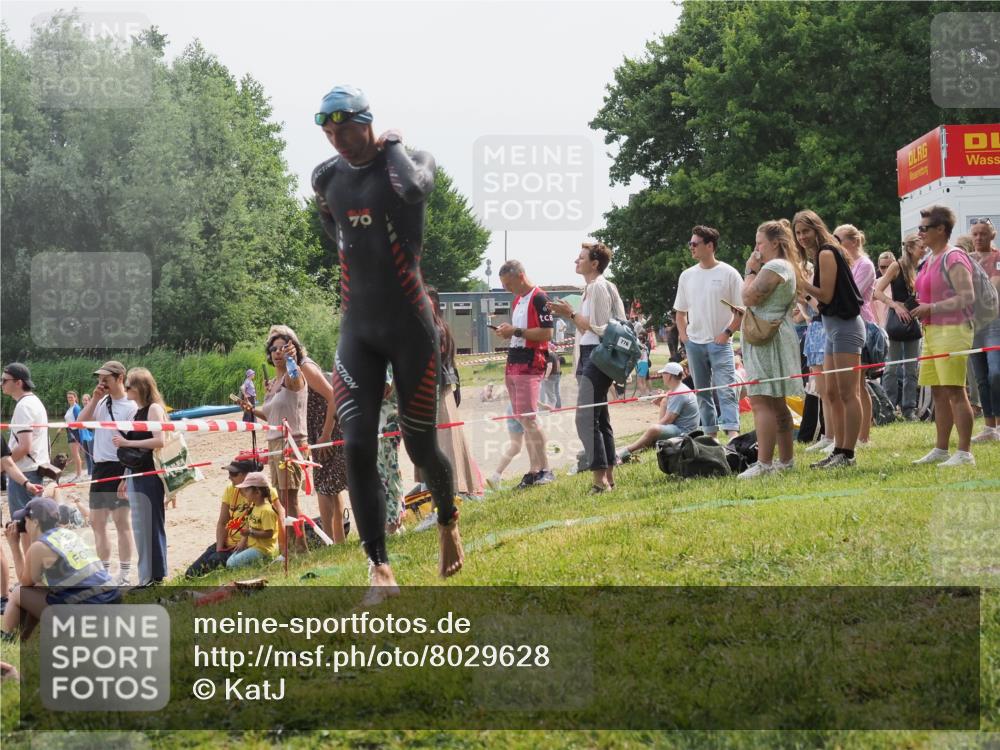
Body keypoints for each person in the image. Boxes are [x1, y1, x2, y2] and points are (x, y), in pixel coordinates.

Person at [311, 83, 462, 594]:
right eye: (331, 134)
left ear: (369, 122)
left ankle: (447, 518)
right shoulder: (326, 177)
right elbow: (331, 224)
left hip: (410, 330)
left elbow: (416, 189)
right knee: (355, 445)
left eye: (348, 130)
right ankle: (379, 567)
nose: (340, 142)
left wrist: (392, 144)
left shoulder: (408, 160)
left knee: (421, 448)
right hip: (358, 330)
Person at [549, 242, 624, 494]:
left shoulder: (599, 287)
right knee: (600, 417)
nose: (575, 261)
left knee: (585, 418)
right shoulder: (589, 289)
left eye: (580, 258)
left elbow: (602, 328)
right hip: (588, 355)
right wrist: (567, 314)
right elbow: (586, 327)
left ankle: (599, 480)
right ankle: (608, 478)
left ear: (594, 264)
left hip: (598, 356)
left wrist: (570, 314)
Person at [795, 210, 865, 470]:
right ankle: (838, 449)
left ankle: (848, 453)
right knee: (832, 391)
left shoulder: (826, 252)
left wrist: (801, 283)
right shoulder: (821, 253)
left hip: (846, 326)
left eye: (806, 231)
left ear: (816, 229)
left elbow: (825, 294)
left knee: (849, 392)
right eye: (798, 232)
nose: (802, 237)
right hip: (831, 326)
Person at [737, 220, 806, 478]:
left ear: (775, 243)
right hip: (774, 336)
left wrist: (750, 271)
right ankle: (785, 461)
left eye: (760, 243)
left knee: (761, 401)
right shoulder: (785, 266)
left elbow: (749, 297)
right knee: (776, 404)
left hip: (768, 341)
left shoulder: (776, 266)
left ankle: (764, 464)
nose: (756, 250)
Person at [910, 206, 977, 466]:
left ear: (941, 229)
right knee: (938, 391)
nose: (920, 233)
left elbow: (967, 297)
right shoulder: (930, 259)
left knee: (955, 390)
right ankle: (941, 449)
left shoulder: (954, 257)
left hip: (953, 330)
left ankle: (964, 452)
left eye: (924, 228)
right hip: (932, 330)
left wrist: (932, 307)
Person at [2, 498, 119, 641]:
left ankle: (8, 640)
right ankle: (23, 639)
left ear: (35, 522)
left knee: (17, 593)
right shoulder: (68, 534)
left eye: (25, 521)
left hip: (88, 614)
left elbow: (24, 582)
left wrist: (14, 545)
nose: (24, 527)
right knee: (39, 587)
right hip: (111, 602)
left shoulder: (39, 547)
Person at [672, 226, 743, 440]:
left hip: (720, 343)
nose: (691, 247)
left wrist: (727, 333)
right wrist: (685, 339)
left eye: (695, 244)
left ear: (710, 246)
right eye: (690, 244)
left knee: (726, 389)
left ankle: (732, 433)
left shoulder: (729, 273)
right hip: (695, 343)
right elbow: (680, 312)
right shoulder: (687, 276)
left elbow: (741, 311)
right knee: (702, 392)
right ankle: (710, 435)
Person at [242, 327, 309, 551]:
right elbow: (272, 415)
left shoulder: (293, 375)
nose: (277, 352)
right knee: (281, 498)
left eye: (283, 348)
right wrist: (252, 410)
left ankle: (300, 546)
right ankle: (290, 546)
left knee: (291, 499)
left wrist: (292, 360)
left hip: (292, 441)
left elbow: (295, 380)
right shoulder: (274, 382)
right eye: (273, 349)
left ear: (293, 350)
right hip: (274, 441)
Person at [495, 259, 556, 490]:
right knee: (522, 418)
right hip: (514, 361)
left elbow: (547, 333)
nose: (508, 289)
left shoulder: (540, 297)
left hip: (531, 362)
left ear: (520, 276)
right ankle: (533, 469)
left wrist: (516, 331)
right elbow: (520, 332)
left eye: (509, 284)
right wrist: (508, 332)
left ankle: (546, 469)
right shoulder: (518, 299)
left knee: (529, 417)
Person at [76, 361, 137, 585]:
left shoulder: (131, 406)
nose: (101, 383)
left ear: (120, 378)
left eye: (106, 380)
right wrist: (94, 398)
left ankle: (124, 573)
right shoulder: (102, 401)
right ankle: (103, 572)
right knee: (97, 522)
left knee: (122, 522)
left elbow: (136, 443)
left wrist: (126, 474)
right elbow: (80, 423)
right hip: (100, 467)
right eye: (99, 379)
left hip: (120, 465)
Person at [423, 288, 483, 497]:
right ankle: (457, 488)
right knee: (443, 443)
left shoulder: (435, 329)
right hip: (435, 391)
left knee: (446, 444)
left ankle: (453, 491)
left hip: (438, 390)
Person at [110, 367, 167, 587]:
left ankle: (155, 576)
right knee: (140, 527)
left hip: (150, 474)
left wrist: (127, 443)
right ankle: (146, 576)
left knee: (150, 525)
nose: (125, 390)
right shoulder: (138, 411)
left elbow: (159, 440)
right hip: (136, 473)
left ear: (140, 387)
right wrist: (125, 476)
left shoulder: (153, 409)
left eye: (128, 386)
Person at [185, 459, 282, 577]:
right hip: (228, 543)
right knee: (190, 573)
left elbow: (279, 518)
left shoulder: (264, 491)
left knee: (221, 565)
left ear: (248, 475)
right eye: (229, 474)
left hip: (247, 546)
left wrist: (283, 550)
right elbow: (222, 522)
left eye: (234, 474)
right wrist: (219, 548)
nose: (229, 478)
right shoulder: (230, 489)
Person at [875, 234, 925, 420]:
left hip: (914, 319)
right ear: (910, 248)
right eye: (921, 246)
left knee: (911, 369)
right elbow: (878, 291)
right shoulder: (897, 266)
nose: (925, 249)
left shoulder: (922, 267)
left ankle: (909, 409)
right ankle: (888, 408)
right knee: (891, 368)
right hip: (897, 320)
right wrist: (895, 305)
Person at [834, 224, 876, 447]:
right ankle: (853, 433)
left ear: (854, 241)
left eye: (839, 239)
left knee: (860, 384)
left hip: (863, 323)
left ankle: (864, 435)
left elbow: (854, 293)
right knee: (852, 385)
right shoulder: (845, 264)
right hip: (846, 324)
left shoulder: (866, 265)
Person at [616, 362, 699, 461]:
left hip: (684, 432)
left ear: (669, 376)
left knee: (653, 429)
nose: (662, 376)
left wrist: (654, 428)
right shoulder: (677, 389)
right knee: (655, 429)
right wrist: (663, 402)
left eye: (664, 374)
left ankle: (626, 451)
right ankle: (641, 446)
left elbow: (668, 420)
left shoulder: (679, 393)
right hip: (681, 428)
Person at [2, 363, 49, 516]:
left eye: (4, 380)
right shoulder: (34, 402)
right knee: (31, 523)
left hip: (25, 472)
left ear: (18, 382)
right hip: (34, 469)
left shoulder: (24, 406)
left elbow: (24, 447)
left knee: (22, 524)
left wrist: (4, 466)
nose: (1, 384)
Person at [968, 218, 1000, 443]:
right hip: (972, 324)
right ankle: (989, 427)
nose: (979, 238)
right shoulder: (967, 260)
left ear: (992, 235)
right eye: (975, 234)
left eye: (983, 234)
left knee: (996, 373)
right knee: (980, 377)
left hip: (994, 323)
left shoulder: (998, 258)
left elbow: (994, 287)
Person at [226, 472, 281, 569]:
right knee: (230, 561)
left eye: (246, 490)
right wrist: (243, 541)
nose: (244, 493)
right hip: (253, 547)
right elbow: (248, 524)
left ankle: (262, 563)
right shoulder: (254, 506)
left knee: (231, 564)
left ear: (257, 492)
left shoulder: (266, 511)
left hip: (263, 549)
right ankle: (257, 564)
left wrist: (251, 532)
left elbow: (269, 534)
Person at [486, 405, 526, 489]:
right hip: (521, 408)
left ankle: (495, 476)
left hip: (513, 408)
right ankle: (537, 473)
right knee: (529, 443)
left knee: (515, 448)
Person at [63, 391, 85, 480]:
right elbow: (68, 420)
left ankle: (79, 475)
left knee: (76, 455)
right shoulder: (70, 408)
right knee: (74, 454)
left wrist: (71, 427)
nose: (70, 399)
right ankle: (78, 473)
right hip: (69, 432)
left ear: (75, 398)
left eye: (71, 397)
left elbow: (79, 422)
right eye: (68, 398)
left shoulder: (76, 408)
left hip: (75, 433)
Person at [78, 393, 95, 477]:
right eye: (83, 400)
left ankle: (93, 474)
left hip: (91, 437)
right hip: (84, 437)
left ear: (90, 400)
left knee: (92, 457)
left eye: (86, 400)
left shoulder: (92, 411)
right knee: (86, 457)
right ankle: (89, 473)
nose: (85, 401)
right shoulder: (81, 412)